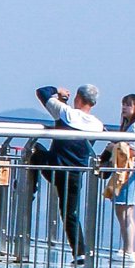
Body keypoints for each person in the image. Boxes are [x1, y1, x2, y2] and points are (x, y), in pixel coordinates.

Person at [34, 84, 105, 259]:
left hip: (54, 167)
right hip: (75, 173)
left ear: (78, 98)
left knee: (33, 150)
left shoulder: (66, 113)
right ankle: (80, 252)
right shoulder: (98, 125)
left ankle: (28, 188)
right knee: (69, 212)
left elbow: (42, 92)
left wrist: (58, 91)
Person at [101, 94, 135, 250]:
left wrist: (115, 147)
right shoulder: (129, 125)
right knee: (122, 210)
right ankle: (126, 248)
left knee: (126, 211)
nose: (124, 108)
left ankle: (129, 250)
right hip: (126, 169)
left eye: (128, 105)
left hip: (131, 170)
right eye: (123, 104)